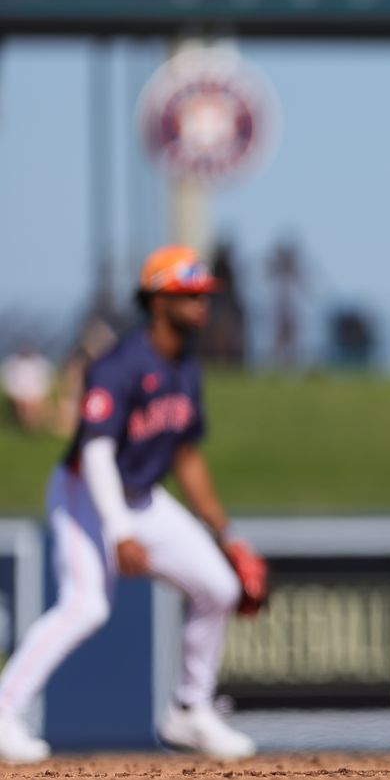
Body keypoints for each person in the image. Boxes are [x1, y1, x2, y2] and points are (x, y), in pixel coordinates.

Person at [0, 246, 256, 764]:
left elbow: (186, 457)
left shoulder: (185, 368)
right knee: (85, 605)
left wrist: (225, 534)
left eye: (204, 293)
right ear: (158, 300)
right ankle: (4, 713)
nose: (202, 303)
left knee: (220, 587)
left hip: (141, 497)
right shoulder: (120, 363)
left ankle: (190, 709)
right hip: (85, 494)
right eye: (189, 293)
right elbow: (94, 449)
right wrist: (118, 530)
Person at [1, 342, 54, 433]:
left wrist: (36, 397)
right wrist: (22, 397)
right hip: (20, 396)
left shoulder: (41, 364)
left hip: (36, 396)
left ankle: (35, 425)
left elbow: (45, 383)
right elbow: (10, 384)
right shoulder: (11, 364)